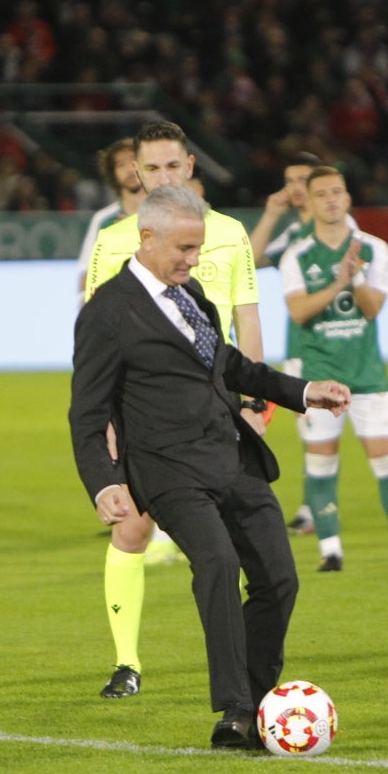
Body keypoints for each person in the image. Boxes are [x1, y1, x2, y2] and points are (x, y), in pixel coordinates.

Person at [70, 185, 351, 748]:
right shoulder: (105, 311)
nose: (193, 260)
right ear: (146, 238)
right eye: (184, 248)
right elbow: (86, 409)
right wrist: (104, 482)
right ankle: (236, 710)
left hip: (231, 455)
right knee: (218, 564)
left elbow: (229, 365)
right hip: (166, 469)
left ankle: (258, 701)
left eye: (198, 248)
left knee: (279, 580)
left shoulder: (192, 293)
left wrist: (303, 391)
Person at [81, 121, 263, 700]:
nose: (163, 176)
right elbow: (100, 341)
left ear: (190, 165)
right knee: (132, 530)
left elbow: (247, 315)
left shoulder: (230, 233)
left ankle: (245, 673)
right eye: (151, 169)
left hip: (217, 412)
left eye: (172, 167)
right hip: (147, 415)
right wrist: (108, 427)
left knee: (239, 548)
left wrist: (257, 403)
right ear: (137, 173)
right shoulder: (115, 240)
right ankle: (127, 662)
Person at [279, 166, 388, 573]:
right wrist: (337, 283)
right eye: (321, 194)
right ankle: (331, 553)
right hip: (320, 378)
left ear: (347, 198)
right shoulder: (297, 255)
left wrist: (355, 276)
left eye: (337, 192)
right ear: (308, 203)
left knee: (387, 461)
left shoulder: (374, 249)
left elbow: (373, 308)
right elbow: (298, 312)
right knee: (320, 462)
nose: (330, 200)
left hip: (367, 375)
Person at [249, 153, 320, 533]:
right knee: (311, 431)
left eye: (303, 179)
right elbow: (249, 258)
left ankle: (318, 509)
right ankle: (314, 508)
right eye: (289, 179)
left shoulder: (337, 232)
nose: (294, 187)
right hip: (299, 347)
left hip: (337, 347)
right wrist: (272, 213)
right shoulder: (292, 236)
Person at [75, 138, 142, 304]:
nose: (129, 169)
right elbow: (87, 277)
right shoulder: (103, 220)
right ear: (113, 174)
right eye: (121, 165)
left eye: (134, 161)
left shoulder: (166, 214)